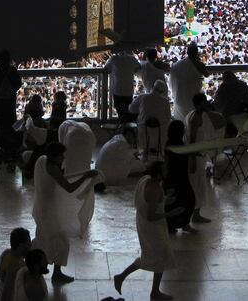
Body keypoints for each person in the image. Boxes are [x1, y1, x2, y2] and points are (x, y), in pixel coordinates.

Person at [113, 162, 184, 301]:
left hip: (145, 224)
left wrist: (166, 198)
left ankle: (153, 291)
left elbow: (152, 203)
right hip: (153, 228)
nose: (167, 171)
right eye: (164, 170)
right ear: (159, 174)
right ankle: (124, 277)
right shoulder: (154, 188)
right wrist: (171, 214)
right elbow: (151, 215)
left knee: (158, 257)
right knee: (156, 257)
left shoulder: (145, 180)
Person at [31, 142, 100, 284]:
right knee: (60, 240)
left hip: (40, 207)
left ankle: (35, 265)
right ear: (55, 156)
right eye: (61, 155)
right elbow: (69, 187)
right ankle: (56, 274)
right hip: (49, 210)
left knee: (44, 237)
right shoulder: (53, 169)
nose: (63, 158)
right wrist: (85, 176)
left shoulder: (41, 160)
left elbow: (57, 180)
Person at [185, 93, 224, 223]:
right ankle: (194, 215)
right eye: (205, 102)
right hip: (196, 156)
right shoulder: (195, 118)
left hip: (200, 155)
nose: (207, 104)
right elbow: (191, 140)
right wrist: (192, 159)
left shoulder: (200, 115)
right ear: (200, 104)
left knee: (199, 187)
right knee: (196, 187)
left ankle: (196, 214)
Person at [0, 50, 23, 159]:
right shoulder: (13, 70)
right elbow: (18, 84)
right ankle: (10, 151)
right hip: (10, 104)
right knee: (10, 127)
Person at [163, 120, 196, 233]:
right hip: (174, 178)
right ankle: (172, 225)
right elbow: (167, 163)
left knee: (188, 200)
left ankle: (184, 224)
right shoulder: (172, 145)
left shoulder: (176, 144)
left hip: (181, 177)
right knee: (175, 202)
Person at [129, 79, 172, 158]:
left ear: (153, 87)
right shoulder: (165, 101)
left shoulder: (142, 97)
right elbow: (168, 117)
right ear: (162, 92)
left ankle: (144, 153)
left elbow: (131, 109)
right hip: (159, 135)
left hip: (144, 133)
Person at [169, 43, 207, 121]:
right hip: (194, 101)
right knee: (192, 122)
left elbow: (171, 83)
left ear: (187, 52)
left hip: (180, 99)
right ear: (196, 53)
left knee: (181, 123)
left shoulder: (176, 65)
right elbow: (206, 74)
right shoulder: (200, 65)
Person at [212, 70, 248, 135]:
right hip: (243, 115)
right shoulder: (242, 85)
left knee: (230, 137)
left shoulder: (223, 87)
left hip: (229, 117)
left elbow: (217, 103)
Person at [104, 48, 140, 121]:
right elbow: (138, 67)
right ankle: (127, 127)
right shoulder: (132, 58)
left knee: (120, 111)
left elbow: (106, 69)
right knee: (128, 110)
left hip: (117, 90)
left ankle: (122, 126)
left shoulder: (113, 59)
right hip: (129, 90)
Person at [0, 228, 32, 301]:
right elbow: (7, 295)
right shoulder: (15, 267)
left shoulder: (6, 253)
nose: (31, 245)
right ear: (21, 246)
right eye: (28, 243)